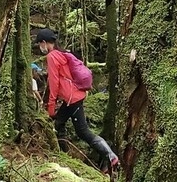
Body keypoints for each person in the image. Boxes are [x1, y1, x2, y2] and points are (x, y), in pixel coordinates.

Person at [34, 28, 120, 172]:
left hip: (71, 99)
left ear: (44, 42)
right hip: (75, 96)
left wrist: (50, 107)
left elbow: (54, 83)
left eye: (40, 44)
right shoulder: (64, 53)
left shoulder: (53, 56)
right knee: (66, 126)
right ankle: (66, 154)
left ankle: (110, 156)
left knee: (77, 129)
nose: (40, 47)